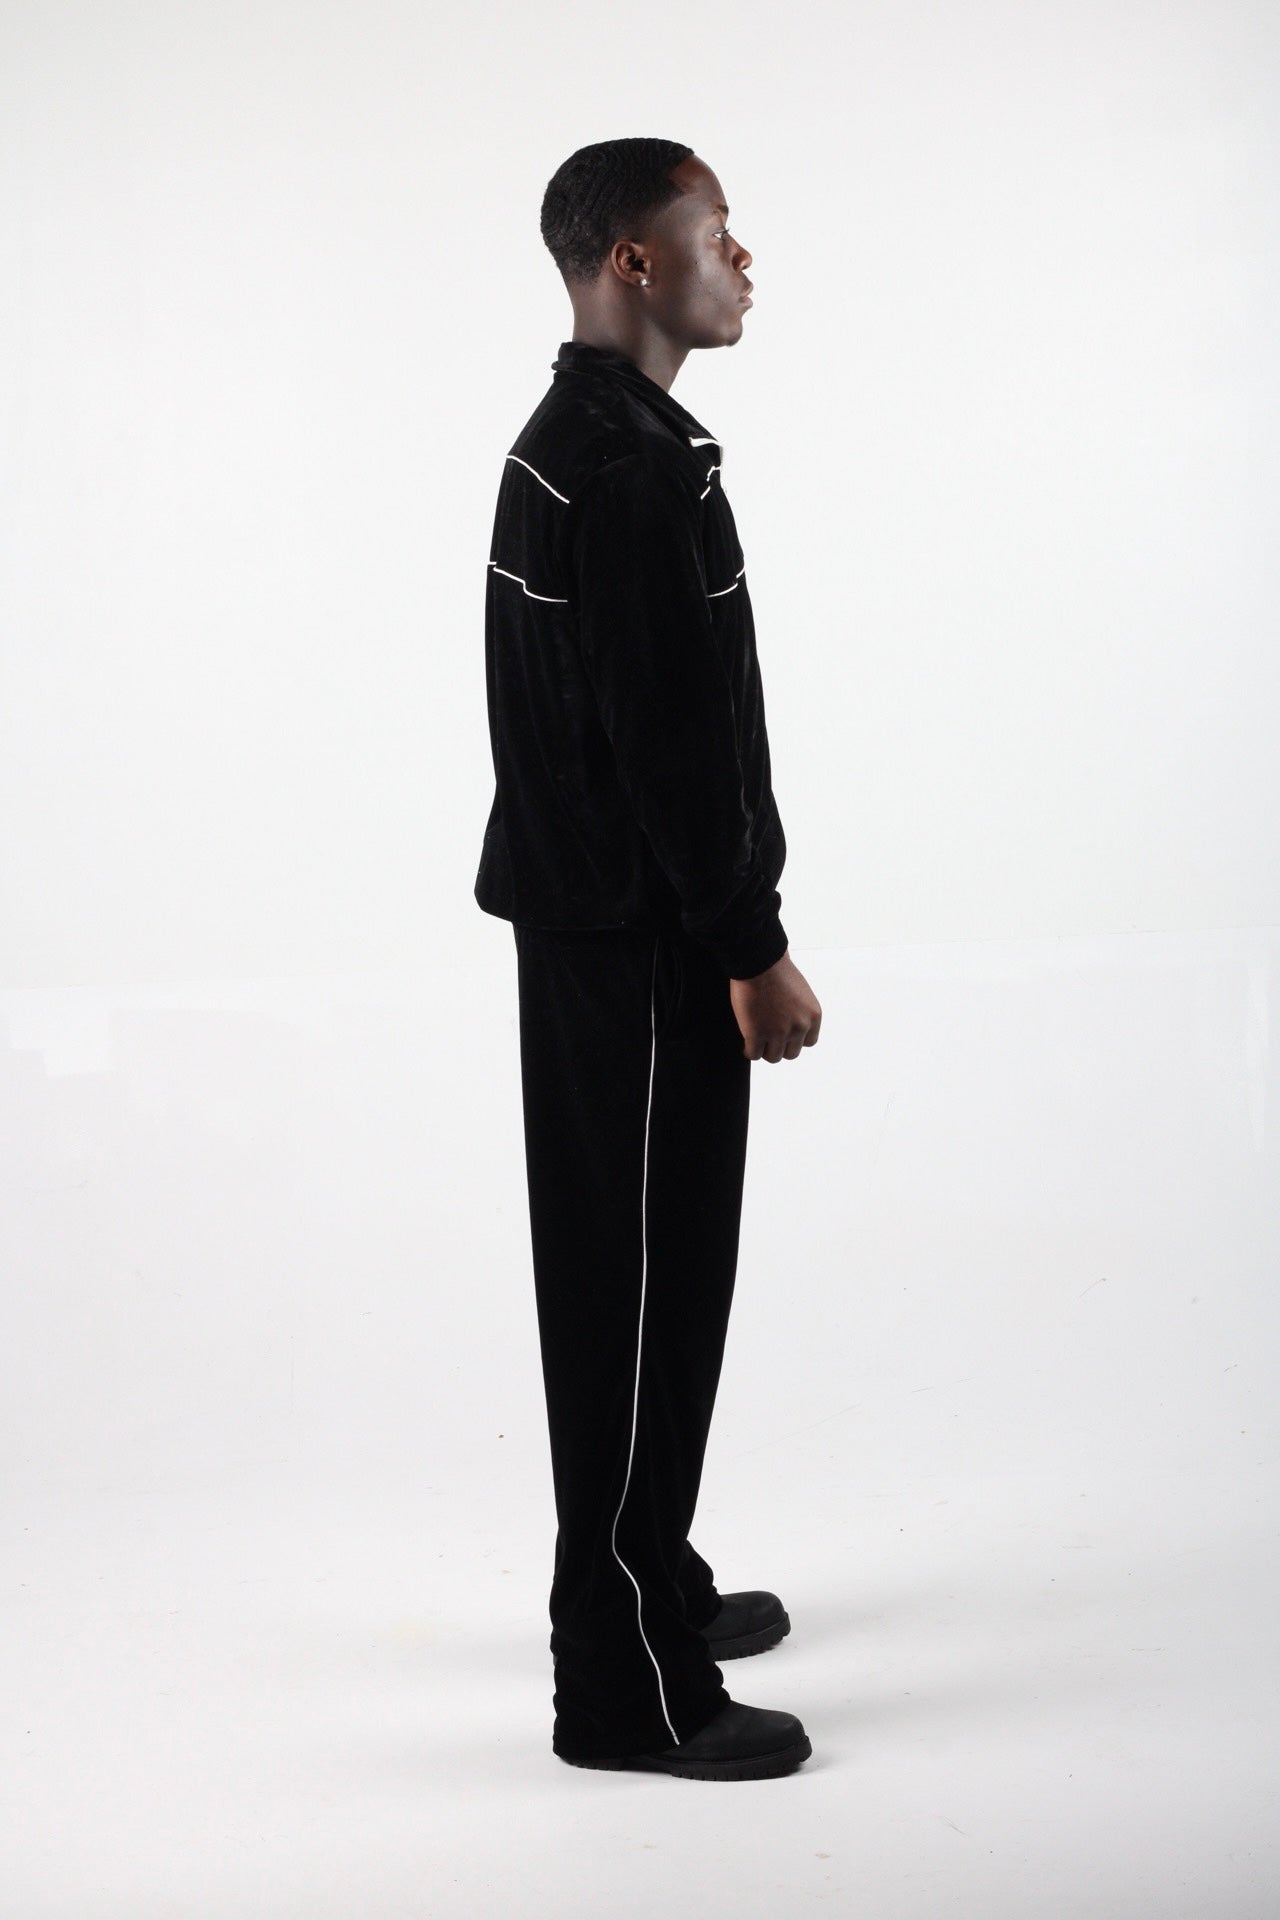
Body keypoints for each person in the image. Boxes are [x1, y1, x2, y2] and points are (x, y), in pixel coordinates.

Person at [473, 137, 822, 1781]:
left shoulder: (601, 446)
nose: (740, 262)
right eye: (716, 234)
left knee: (654, 1284)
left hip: (617, 929)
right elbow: (669, 746)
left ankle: (651, 1570)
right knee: (634, 1296)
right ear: (634, 261)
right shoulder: (617, 474)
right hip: (645, 947)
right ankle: (619, 1683)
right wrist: (752, 943)